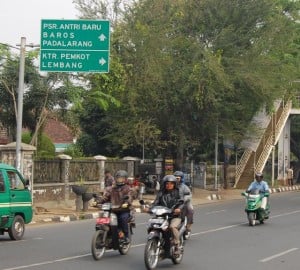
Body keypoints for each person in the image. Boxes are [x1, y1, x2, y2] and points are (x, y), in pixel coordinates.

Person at [149, 174, 184, 254]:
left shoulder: (178, 192)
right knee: (153, 225)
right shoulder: (161, 193)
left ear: (174, 184)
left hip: (174, 216)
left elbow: (181, 202)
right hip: (162, 215)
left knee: (172, 227)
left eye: (171, 183)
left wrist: (179, 209)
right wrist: (150, 208)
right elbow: (156, 202)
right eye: (167, 183)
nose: (169, 185)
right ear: (164, 184)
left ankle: (176, 245)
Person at [99, 170, 134, 243]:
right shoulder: (111, 188)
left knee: (122, 218)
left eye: (121, 178)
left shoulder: (128, 188)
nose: (119, 180)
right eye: (118, 178)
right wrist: (98, 201)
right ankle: (104, 234)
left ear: (125, 179)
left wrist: (127, 202)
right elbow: (105, 196)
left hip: (123, 210)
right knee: (103, 218)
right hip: (112, 209)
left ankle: (125, 236)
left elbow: (130, 197)